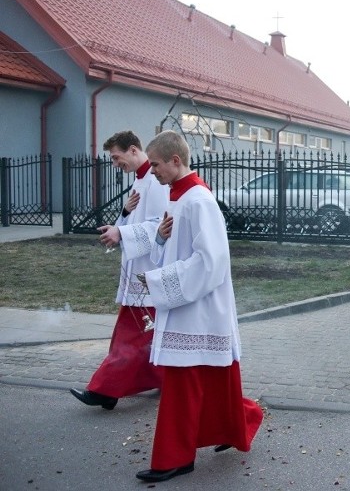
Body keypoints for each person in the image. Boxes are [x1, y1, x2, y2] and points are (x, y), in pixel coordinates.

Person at [128, 130, 263, 483]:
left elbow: (212, 262)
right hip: (187, 305)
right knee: (215, 379)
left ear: (175, 161)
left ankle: (174, 457)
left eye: (155, 164)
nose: (151, 170)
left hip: (201, 308)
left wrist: (159, 282)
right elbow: (175, 251)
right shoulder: (177, 198)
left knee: (184, 381)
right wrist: (159, 239)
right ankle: (239, 423)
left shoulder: (199, 200)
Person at [70, 131, 169, 410]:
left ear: (134, 150)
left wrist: (122, 233)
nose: (115, 164)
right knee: (145, 335)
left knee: (131, 336)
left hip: (148, 272)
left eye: (116, 157)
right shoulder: (141, 180)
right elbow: (132, 221)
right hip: (138, 273)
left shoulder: (156, 181)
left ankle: (105, 389)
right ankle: (164, 379)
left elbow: (160, 226)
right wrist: (123, 217)